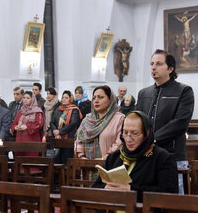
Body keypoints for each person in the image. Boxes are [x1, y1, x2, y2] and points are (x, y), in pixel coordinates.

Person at [136, 49, 194, 194]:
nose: (153, 67)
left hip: (173, 156)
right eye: (151, 64)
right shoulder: (144, 93)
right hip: (147, 157)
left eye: (159, 64)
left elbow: (180, 123)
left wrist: (151, 140)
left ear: (170, 68)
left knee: (173, 202)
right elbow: (137, 121)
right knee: (148, 200)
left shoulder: (184, 91)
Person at [92, 111, 178, 202]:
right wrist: (106, 187)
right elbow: (95, 188)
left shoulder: (163, 158)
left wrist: (132, 190)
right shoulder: (114, 157)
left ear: (146, 134)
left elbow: (169, 195)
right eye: (125, 132)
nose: (128, 139)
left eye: (135, 133)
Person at [75, 85, 124, 160]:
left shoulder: (119, 118)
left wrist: (104, 158)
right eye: (94, 98)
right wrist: (82, 156)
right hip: (86, 166)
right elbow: (79, 140)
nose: (96, 101)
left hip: (109, 165)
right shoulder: (87, 119)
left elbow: (120, 142)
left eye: (100, 97)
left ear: (110, 99)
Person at [51, 90, 82, 164]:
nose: (64, 99)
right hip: (58, 139)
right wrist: (55, 131)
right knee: (57, 161)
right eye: (63, 97)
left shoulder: (74, 110)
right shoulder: (58, 109)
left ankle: (67, 175)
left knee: (66, 161)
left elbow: (73, 124)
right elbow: (52, 122)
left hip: (69, 139)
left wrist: (60, 132)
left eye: (66, 98)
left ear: (70, 99)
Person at [11, 91, 45, 156]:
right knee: (20, 161)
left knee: (31, 161)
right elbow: (13, 124)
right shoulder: (20, 111)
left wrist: (26, 127)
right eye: (24, 98)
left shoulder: (37, 111)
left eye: (28, 98)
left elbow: (39, 124)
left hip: (32, 140)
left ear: (32, 99)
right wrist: (16, 127)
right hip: (20, 140)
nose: (25, 99)